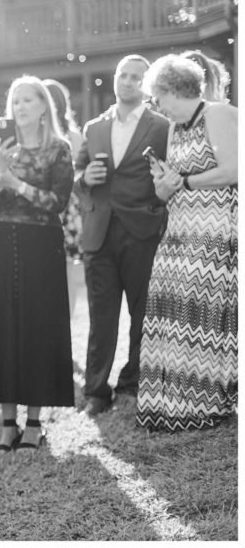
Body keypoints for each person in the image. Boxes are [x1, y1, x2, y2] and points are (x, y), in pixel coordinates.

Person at [136, 55, 238, 432]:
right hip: (178, 228)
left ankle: (207, 398)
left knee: (203, 311)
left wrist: (186, 183)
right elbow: (169, 185)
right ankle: (175, 398)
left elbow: (235, 168)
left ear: (171, 89)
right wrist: (163, 186)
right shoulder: (173, 128)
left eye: (156, 97)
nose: (156, 106)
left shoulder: (220, 113)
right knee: (169, 306)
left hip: (213, 230)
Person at [0, 77, 76, 451]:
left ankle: (33, 423)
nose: (20, 107)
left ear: (43, 106)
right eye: (15, 101)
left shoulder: (58, 151)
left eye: (28, 100)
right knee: (3, 327)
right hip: (3, 244)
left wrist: (15, 185)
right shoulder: (1, 149)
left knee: (36, 327)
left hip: (40, 246)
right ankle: (7, 423)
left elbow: (58, 202)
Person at [75, 55, 169, 417]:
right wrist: (85, 179)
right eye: (123, 75)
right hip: (99, 233)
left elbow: (168, 173)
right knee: (101, 316)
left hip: (141, 230)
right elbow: (78, 172)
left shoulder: (161, 126)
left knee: (141, 313)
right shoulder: (94, 127)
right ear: (114, 79)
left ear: (145, 85)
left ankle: (132, 383)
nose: (127, 82)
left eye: (135, 77)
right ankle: (97, 391)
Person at [43, 79, 85, 321]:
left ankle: (63, 339)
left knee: (66, 275)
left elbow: (76, 178)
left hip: (64, 214)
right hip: (56, 211)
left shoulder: (72, 137)